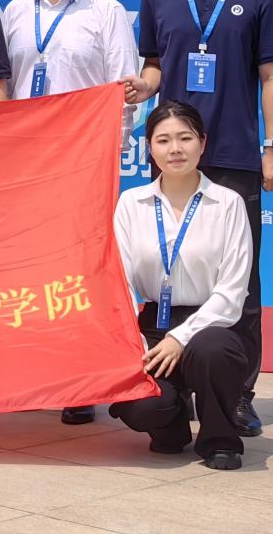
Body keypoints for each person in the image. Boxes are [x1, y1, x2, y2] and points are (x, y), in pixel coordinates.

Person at [121, 0, 273, 437]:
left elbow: (271, 76)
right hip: (174, 154)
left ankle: (238, 395)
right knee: (170, 267)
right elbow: (154, 66)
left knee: (243, 283)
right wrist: (141, 87)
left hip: (236, 155)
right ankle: (171, 378)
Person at [3, 0, 138, 426]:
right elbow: (2, 88)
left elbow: (123, 92)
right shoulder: (15, 12)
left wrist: (110, 157)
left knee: (80, 271)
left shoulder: (107, 12)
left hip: (84, 164)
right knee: (30, 267)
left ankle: (79, 381)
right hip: (24, 163)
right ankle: (33, 369)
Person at [108, 100, 252, 470]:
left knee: (215, 350)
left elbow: (232, 293)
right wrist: (136, 344)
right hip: (151, 325)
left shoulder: (228, 203)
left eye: (185, 138)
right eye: (163, 140)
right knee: (141, 404)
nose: (175, 149)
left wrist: (180, 338)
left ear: (202, 143)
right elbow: (120, 282)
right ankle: (170, 428)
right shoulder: (131, 203)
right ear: (150, 148)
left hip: (211, 325)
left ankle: (220, 440)